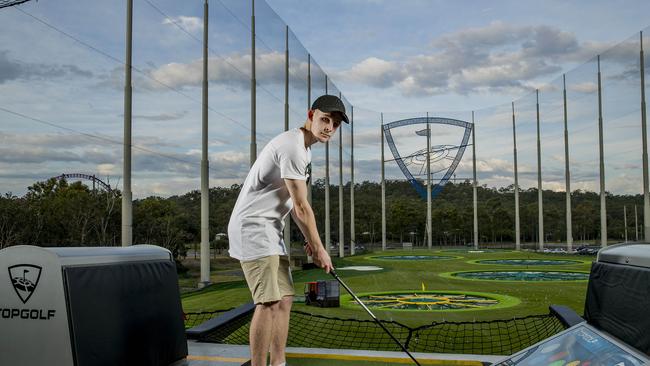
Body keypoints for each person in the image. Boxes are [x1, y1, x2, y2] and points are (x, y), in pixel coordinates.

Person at [228, 95, 349, 366]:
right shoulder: (292, 146)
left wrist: (311, 240)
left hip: (270, 229)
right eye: (325, 119)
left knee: (284, 300)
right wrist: (319, 249)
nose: (329, 127)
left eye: (336, 124)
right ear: (311, 115)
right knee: (268, 303)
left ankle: (278, 363)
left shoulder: (304, 150)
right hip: (252, 229)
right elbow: (303, 207)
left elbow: (295, 207)